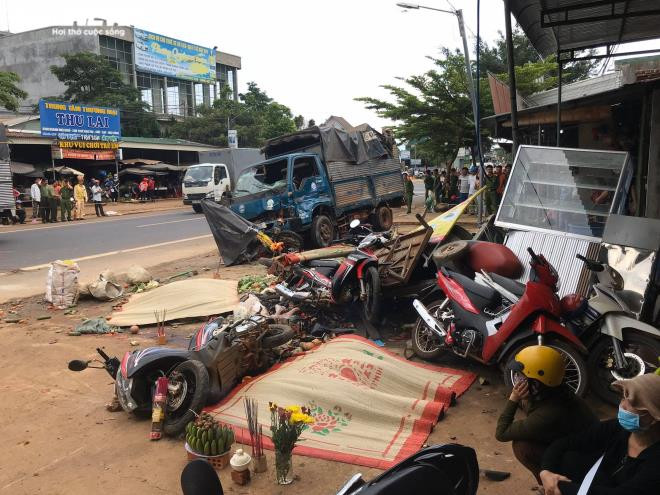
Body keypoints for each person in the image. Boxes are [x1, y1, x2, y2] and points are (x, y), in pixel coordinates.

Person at [540, 373, 660, 495]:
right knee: (569, 458)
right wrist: (546, 472)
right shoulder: (617, 427)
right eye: (624, 396)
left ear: (654, 417)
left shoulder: (655, 462)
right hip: (599, 482)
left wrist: (557, 485)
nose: (622, 405)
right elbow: (565, 443)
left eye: (633, 403)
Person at [496, 345, 598, 486]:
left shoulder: (548, 414)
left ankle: (555, 487)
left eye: (522, 376)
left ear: (537, 383)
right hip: (579, 445)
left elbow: (501, 433)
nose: (518, 379)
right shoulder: (556, 391)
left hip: (583, 462)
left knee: (521, 446)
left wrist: (513, 398)